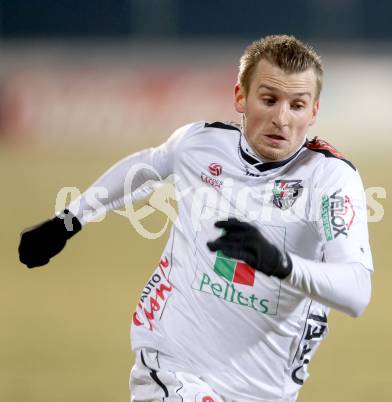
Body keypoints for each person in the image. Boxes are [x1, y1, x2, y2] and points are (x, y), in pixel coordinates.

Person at [18, 35, 373, 402]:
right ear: (241, 97)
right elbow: (147, 167)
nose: (281, 118)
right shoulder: (200, 145)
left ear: (313, 112)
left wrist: (281, 264)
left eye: (297, 105)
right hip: (174, 364)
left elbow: (356, 291)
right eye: (268, 100)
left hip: (264, 389)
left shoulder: (329, 179)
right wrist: (68, 221)